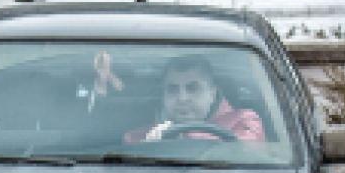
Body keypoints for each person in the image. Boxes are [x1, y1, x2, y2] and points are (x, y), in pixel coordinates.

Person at [89, 52, 266, 144]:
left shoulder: (245, 121)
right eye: (173, 89)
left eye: (193, 88)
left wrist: (177, 140)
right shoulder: (141, 137)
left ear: (213, 93)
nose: (182, 98)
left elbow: (244, 152)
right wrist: (149, 151)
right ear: (163, 96)